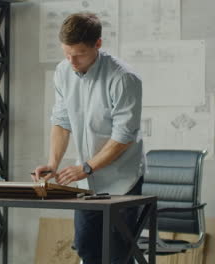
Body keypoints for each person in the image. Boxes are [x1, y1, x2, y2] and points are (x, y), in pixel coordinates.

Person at [32, 13, 143, 264]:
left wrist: (87, 167)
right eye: (66, 53)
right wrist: (53, 164)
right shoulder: (63, 71)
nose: (72, 60)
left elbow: (123, 137)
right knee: (85, 247)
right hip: (87, 183)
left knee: (118, 254)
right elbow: (61, 122)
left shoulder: (124, 78)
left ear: (98, 45)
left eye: (79, 53)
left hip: (122, 179)